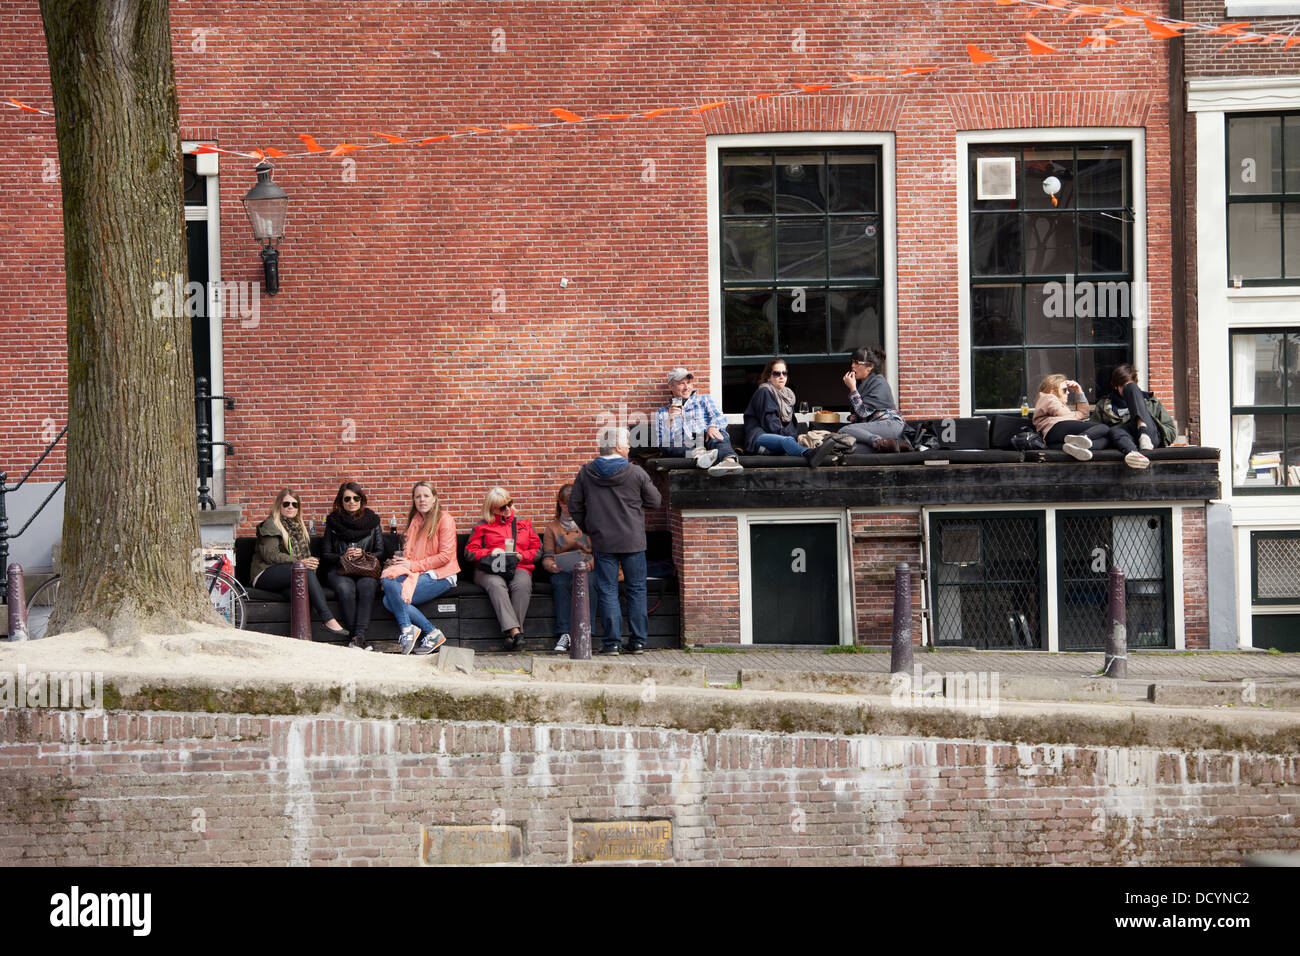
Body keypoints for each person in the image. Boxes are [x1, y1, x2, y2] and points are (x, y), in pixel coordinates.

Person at [569, 426, 663, 655]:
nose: (630, 446)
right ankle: (638, 641)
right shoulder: (636, 472)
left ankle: (612, 643)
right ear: (618, 447)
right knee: (637, 589)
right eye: (628, 442)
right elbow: (655, 501)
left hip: (603, 542)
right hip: (632, 540)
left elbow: (574, 506)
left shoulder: (586, 472)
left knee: (608, 590)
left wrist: (590, 530)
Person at [250, 488, 348, 636]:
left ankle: (300, 636)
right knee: (304, 571)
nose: (291, 507)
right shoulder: (271, 525)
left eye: (295, 505)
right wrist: (301, 562)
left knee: (300, 594)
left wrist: (308, 563)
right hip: (264, 573)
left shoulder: (298, 529)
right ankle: (328, 619)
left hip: (285, 576)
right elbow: (270, 555)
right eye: (286, 504)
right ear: (278, 506)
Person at [380, 481, 455, 655]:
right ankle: (422, 631)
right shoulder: (415, 521)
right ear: (414, 500)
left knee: (389, 601)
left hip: (441, 575)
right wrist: (399, 562)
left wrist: (412, 565)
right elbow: (411, 554)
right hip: (416, 572)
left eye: (426, 496)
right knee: (388, 578)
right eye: (418, 496)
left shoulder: (445, 519)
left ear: (434, 499)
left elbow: (445, 556)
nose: (422, 500)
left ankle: (417, 631)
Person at [465, 487, 542, 651]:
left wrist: (522, 555)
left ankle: (512, 636)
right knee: (496, 584)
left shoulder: (524, 523)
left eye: (509, 503)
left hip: (518, 565)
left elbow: (538, 549)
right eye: (502, 507)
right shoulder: (482, 526)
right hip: (489, 568)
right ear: (492, 508)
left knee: (522, 584)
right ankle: (516, 632)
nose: (508, 509)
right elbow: (469, 553)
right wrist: (490, 552)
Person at [1032, 373, 1149, 469]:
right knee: (1104, 428)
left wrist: (1079, 391)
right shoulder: (1047, 397)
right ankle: (1082, 438)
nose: (1068, 392)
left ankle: (1075, 446)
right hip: (1055, 429)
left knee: (1106, 441)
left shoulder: (1056, 403)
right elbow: (1066, 415)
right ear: (1052, 391)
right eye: (1064, 390)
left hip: (1054, 439)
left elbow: (1083, 414)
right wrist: (1075, 416)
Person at [322, 481, 384, 650]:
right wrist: (342, 557)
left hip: (366, 569)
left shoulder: (373, 520)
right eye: (347, 498)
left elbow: (380, 551)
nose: (352, 502)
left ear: (361, 499)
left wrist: (364, 554)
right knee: (345, 590)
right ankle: (357, 638)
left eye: (356, 498)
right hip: (340, 570)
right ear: (341, 501)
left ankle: (357, 637)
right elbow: (325, 554)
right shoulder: (333, 522)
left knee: (367, 588)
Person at [540, 483, 598, 654]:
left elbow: (599, 551)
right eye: (563, 504)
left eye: (570, 504)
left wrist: (590, 565)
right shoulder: (552, 527)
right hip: (564, 569)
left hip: (586, 567)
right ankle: (565, 633)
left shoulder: (589, 523)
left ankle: (586, 633)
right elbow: (547, 556)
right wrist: (551, 566)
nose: (567, 508)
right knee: (559, 584)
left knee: (591, 583)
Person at [654, 367, 743, 476]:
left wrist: (713, 426)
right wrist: (670, 420)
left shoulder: (703, 399)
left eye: (688, 383)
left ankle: (729, 462)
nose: (686, 387)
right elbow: (662, 441)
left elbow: (720, 417)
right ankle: (701, 455)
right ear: (671, 386)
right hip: (685, 446)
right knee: (665, 443)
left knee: (717, 433)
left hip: (706, 437)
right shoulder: (662, 412)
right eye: (681, 383)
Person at [1092, 364, 1176, 451]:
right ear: (1116, 387)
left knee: (1132, 390)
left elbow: (1171, 431)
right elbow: (1095, 431)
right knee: (1115, 431)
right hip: (1124, 441)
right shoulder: (1103, 405)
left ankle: (1143, 433)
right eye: (1124, 387)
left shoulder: (1151, 402)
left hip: (1150, 438)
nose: (1127, 391)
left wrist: (1152, 422)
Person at [838, 346, 906, 450]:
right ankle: (887, 446)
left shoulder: (879, 382)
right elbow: (868, 413)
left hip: (891, 425)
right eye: (852, 362)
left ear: (870, 366)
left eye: (856, 363)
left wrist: (852, 388)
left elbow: (863, 412)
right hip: (879, 426)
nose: (852, 366)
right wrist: (855, 417)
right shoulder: (865, 383)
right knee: (852, 447)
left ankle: (877, 441)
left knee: (844, 431)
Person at [743, 358, 806, 456]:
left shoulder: (788, 395)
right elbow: (770, 425)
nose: (781, 376)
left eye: (784, 373)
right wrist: (793, 438)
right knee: (787, 441)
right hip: (759, 435)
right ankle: (808, 454)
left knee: (798, 439)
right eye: (777, 373)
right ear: (769, 377)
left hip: (779, 436)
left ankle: (769, 451)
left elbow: (791, 424)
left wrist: (796, 436)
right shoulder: (764, 392)